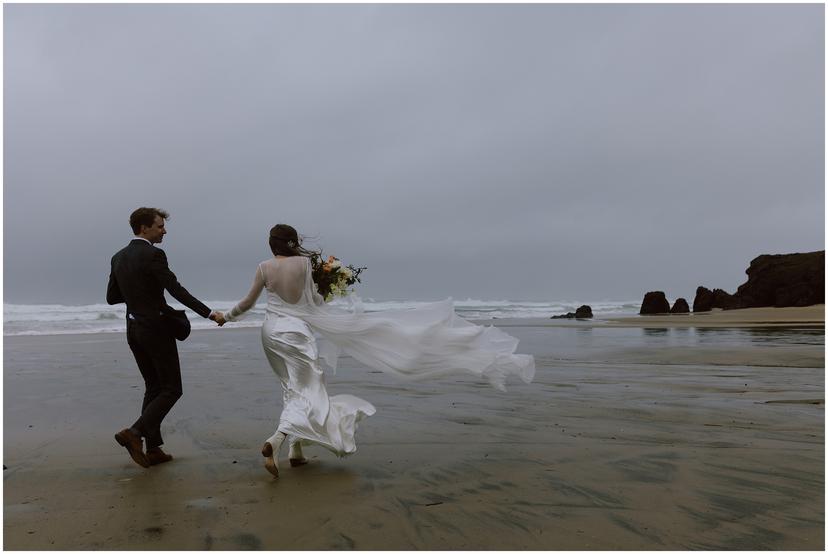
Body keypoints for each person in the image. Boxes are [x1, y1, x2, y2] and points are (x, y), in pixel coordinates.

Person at [215, 224, 535, 478]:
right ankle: (277, 440)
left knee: (293, 387)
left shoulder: (262, 267)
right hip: (297, 333)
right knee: (311, 388)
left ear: (271, 246)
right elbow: (313, 305)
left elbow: (247, 303)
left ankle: (296, 453)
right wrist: (332, 296)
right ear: (293, 242)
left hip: (270, 333)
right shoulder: (305, 265)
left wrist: (224, 317)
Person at [107, 207, 222, 468]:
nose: (164, 230)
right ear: (144, 228)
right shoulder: (154, 254)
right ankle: (134, 433)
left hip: (133, 329)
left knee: (154, 387)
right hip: (155, 330)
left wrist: (137, 292)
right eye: (160, 226)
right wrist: (209, 313)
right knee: (172, 389)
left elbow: (112, 297)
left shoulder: (118, 257)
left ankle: (154, 448)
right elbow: (176, 290)